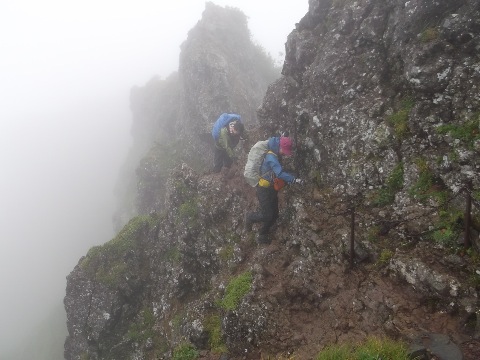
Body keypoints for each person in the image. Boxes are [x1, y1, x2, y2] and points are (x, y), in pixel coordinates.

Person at [244, 135, 304, 244]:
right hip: (263, 189)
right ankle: (250, 217)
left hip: (271, 188)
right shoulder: (271, 157)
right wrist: (295, 180)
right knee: (267, 214)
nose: (284, 153)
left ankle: (262, 235)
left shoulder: (275, 151)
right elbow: (279, 173)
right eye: (284, 151)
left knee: (274, 214)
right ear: (279, 146)